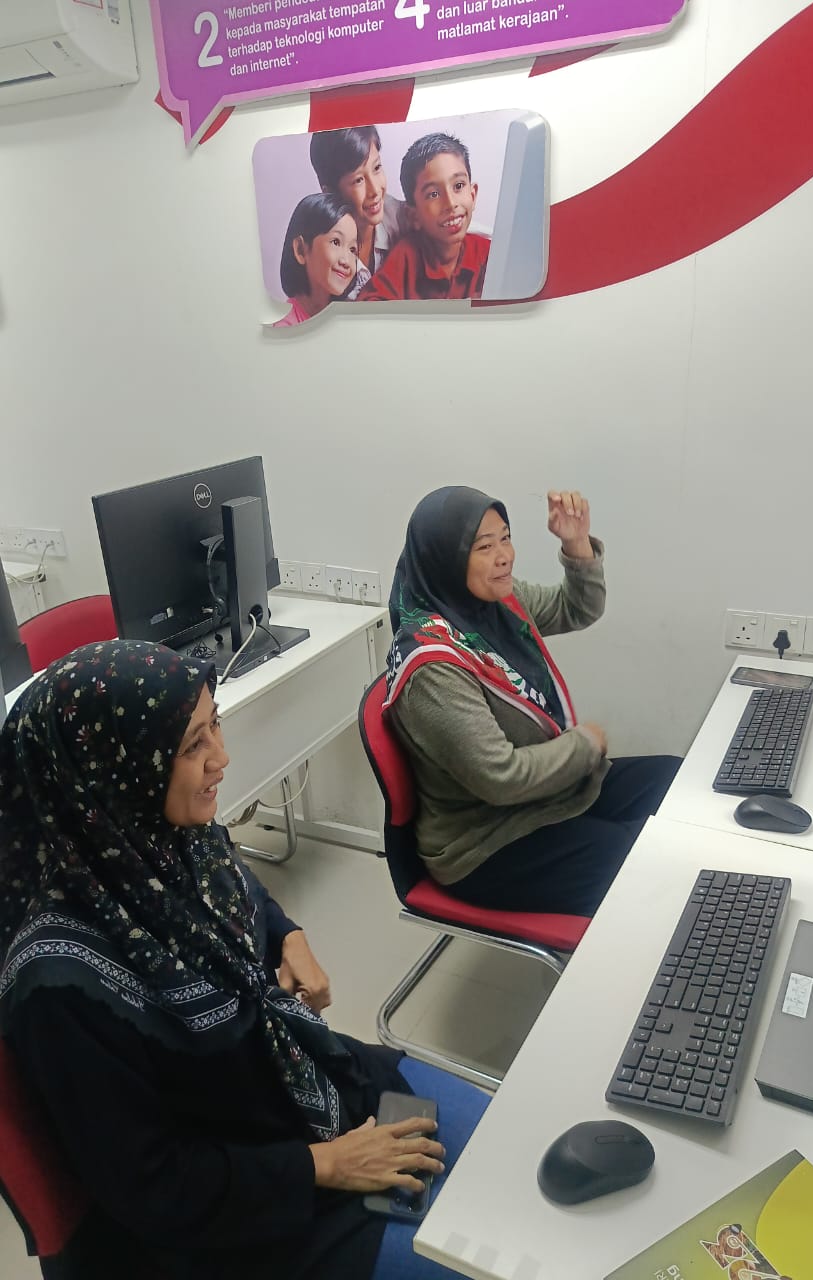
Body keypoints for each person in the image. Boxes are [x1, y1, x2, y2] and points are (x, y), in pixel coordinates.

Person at [0, 640, 488, 1280]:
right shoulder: (60, 986)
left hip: (288, 1082)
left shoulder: (165, 837)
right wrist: (329, 1164)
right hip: (240, 1213)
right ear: (108, 774)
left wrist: (288, 936)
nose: (221, 758)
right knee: (475, 1258)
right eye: (191, 746)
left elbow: (242, 887)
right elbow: (153, 1187)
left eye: (216, 725)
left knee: (496, 1143)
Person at [384, 487, 682, 916]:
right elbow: (501, 778)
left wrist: (576, 543)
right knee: (651, 862)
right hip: (488, 842)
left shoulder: (497, 603)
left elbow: (575, 608)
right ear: (444, 559)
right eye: (484, 547)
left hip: (543, 797)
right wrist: (584, 745)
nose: (504, 556)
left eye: (505, 538)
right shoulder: (433, 667)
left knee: (673, 781)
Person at [359, 134, 489, 303]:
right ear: (413, 216)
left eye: (458, 186)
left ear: (473, 195)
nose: (450, 203)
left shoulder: (489, 254)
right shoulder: (407, 256)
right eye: (433, 194)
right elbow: (368, 305)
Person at [309, 125, 408, 298]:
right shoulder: (321, 254)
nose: (375, 190)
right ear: (329, 192)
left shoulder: (404, 218)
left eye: (377, 168)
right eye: (358, 180)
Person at [274, 193, 359, 327]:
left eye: (352, 249)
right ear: (301, 250)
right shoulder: (287, 328)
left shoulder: (347, 321)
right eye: (336, 242)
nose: (346, 261)